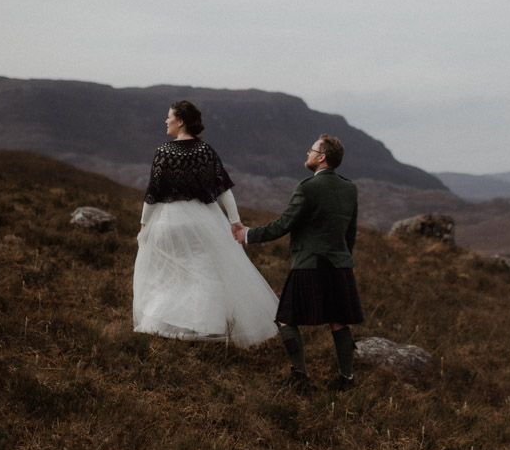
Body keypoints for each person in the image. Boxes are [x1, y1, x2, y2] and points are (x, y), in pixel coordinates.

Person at [133, 101, 278, 348]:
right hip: (202, 221)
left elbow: (153, 192)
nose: (166, 121)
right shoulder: (205, 151)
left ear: (180, 121)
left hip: (169, 221)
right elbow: (223, 189)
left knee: (170, 274)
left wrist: (144, 223)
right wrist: (234, 220)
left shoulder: (164, 151)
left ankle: (166, 324)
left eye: (169, 117)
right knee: (204, 273)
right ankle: (204, 326)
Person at [232, 134, 363, 390]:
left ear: (321, 157)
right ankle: (347, 379)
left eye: (311, 150)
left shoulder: (307, 187)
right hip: (340, 266)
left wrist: (247, 234)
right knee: (339, 320)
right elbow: (351, 232)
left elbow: (284, 224)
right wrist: (342, 257)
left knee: (286, 318)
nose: (308, 153)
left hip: (309, 264)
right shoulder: (350, 188)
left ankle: (299, 377)